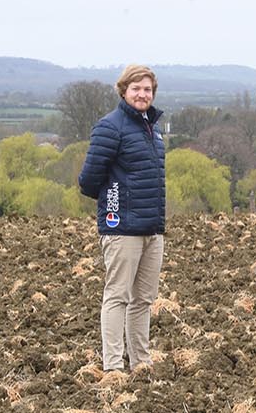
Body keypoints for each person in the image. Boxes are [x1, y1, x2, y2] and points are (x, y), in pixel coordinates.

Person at [78, 64, 167, 372]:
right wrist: (115, 202)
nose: (142, 94)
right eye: (136, 88)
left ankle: (141, 362)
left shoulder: (153, 129)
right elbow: (89, 180)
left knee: (144, 300)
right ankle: (113, 366)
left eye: (147, 89)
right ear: (124, 90)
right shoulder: (110, 127)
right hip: (122, 228)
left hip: (153, 229)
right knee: (118, 296)